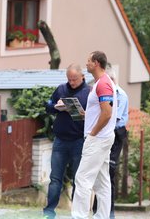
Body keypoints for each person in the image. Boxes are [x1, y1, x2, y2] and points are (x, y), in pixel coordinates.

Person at [71, 51, 117, 219]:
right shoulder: (103, 82)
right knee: (102, 182)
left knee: (82, 179)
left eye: (89, 61)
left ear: (97, 63)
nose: (87, 63)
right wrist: (86, 115)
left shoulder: (103, 83)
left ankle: (79, 216)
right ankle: (102, 216)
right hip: (103, 137)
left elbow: (107, 113)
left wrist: (93, 134)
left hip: (98, 138)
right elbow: (101, 110)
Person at [43, 64, 90, 219]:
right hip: (60, 140)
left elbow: (94, 116)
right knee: (55, 179)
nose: (71, 82)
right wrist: (54, 106)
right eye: (69, 79)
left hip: (78, 141)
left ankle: (77, 214)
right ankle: (49, 212)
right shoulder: (61, 89)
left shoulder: (89, 92)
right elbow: (49, 106)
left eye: (74, 79)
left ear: (82, 76)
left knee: (78, 180)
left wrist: (83, 113)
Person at [107, 71, 128, 218]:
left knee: (110, 171)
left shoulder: (120, 95)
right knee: (101, 174)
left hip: (116, 133)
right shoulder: (105, 93)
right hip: (105, 133)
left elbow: (114, 118)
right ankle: (99, 210)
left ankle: (110, 212)